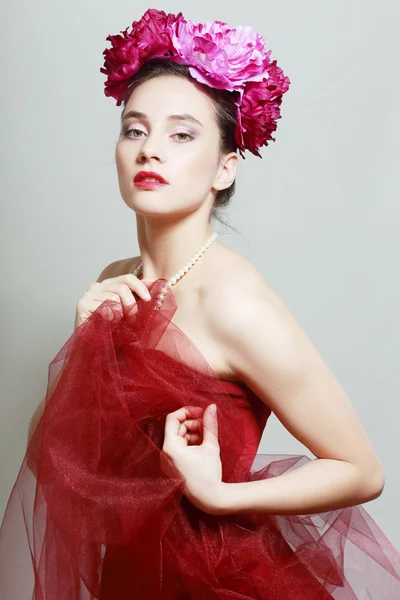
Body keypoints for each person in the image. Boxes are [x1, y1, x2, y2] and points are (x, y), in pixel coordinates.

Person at [1, 8, 400, 599]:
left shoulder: (234, 300)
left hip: (218, 582)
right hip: (128, 580)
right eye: (134, 130)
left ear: (224, 167)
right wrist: (83, 338)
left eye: (182, 134)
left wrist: (220, 496)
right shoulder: (115, 282)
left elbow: (361, 471)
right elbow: (51, 456)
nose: (150, 151)